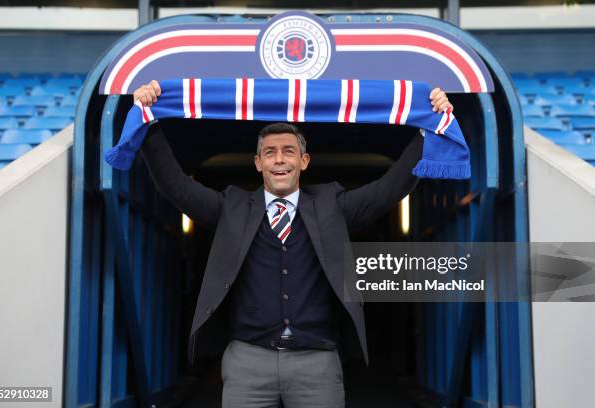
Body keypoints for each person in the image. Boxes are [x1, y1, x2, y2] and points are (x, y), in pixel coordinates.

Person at [135, 80, 453, 408]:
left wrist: (427, 129)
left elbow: (390, 187)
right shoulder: (231, 207)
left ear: (304, 161)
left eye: (289, 152)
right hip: (248, 362)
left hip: (317, 364)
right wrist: (149, 122)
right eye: (270, 153)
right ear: (258, 163)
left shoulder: (333, 204)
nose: (279, 160)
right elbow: (175, 186)